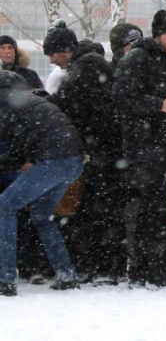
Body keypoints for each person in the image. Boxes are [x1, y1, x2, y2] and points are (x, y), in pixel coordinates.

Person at [112, 9, 166, 289]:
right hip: (143, 147)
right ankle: (144, 271)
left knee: (160, 210)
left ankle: (156, 270)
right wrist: (159, 105)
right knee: (148, 210)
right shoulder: (137, 57)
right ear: (158, 32)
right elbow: (122, 97)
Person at [0, 70, 85, 296]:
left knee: (5, 205)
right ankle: (66, 274)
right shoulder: (31, 101)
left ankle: (5, 279)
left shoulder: (9, 105)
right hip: (73, 160)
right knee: (40, 215)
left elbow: (16, 146)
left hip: (54, 161)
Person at [46, 49, 125, 285]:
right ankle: (110, 266)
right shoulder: (111, 92)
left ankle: (84, 263)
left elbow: (61, 109)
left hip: (86, 159)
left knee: (84, 214)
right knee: (110, 214)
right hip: (112, 161)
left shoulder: (74, 88)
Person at [42, 19, 79, 94]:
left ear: (67, 52)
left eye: (52, 55)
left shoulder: (83, 72)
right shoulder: (66, 73)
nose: (52, 61)